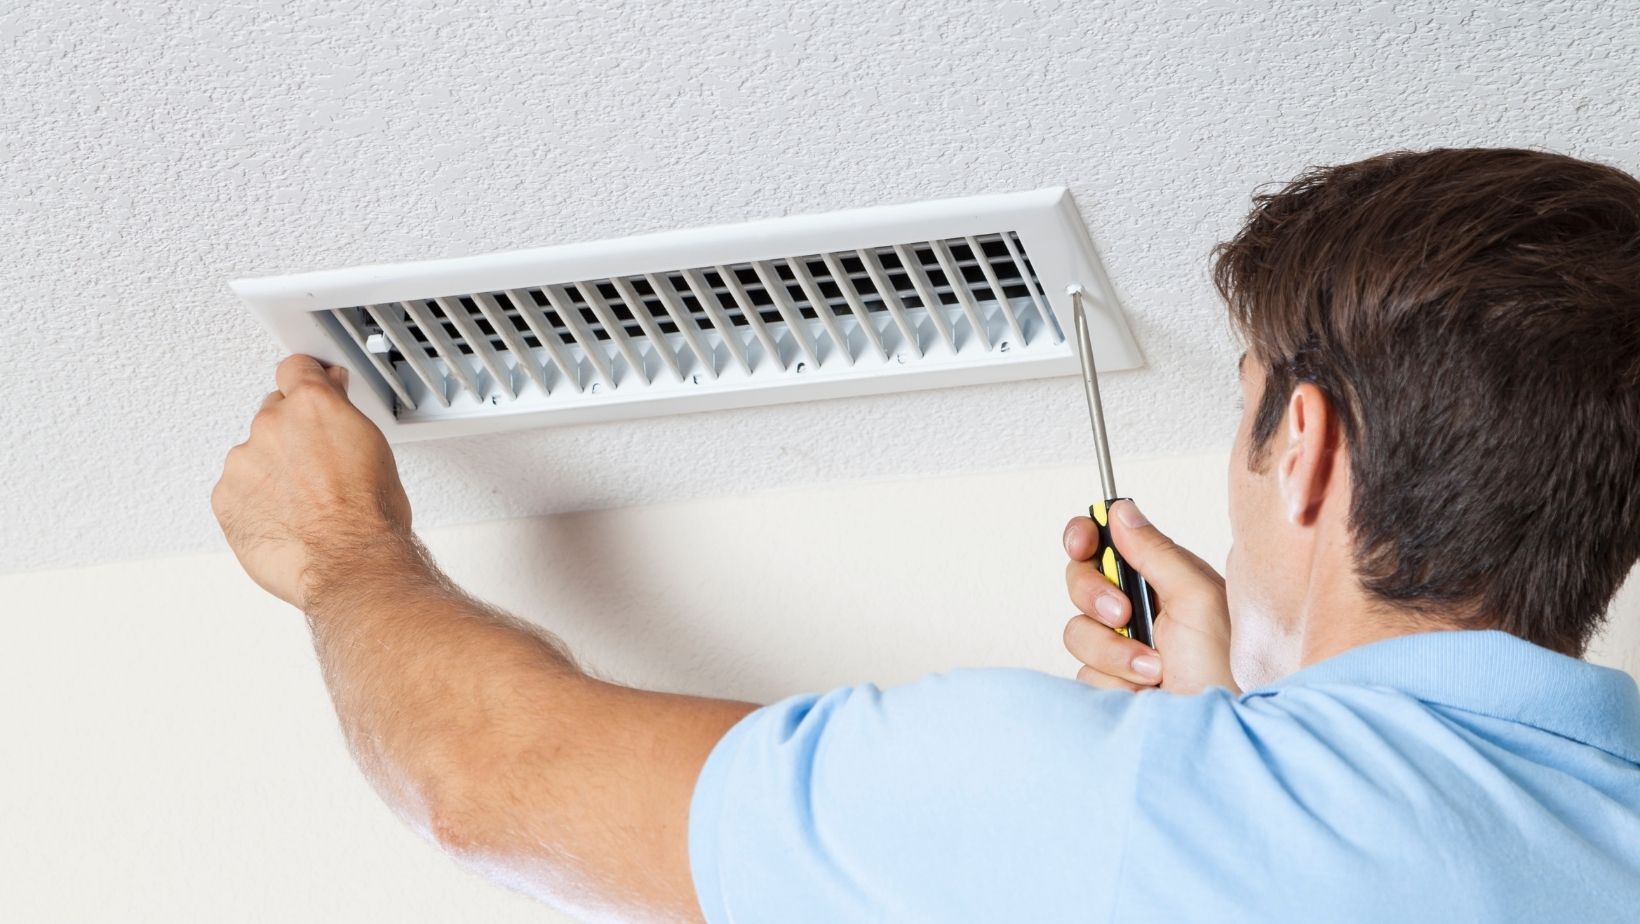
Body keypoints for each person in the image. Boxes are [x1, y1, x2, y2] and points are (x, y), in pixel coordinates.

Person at [212, 148, 1640, 922]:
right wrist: (1232, 716)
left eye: (1247, 413)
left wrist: (343, 552)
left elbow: (487, 781)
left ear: (1308, 449)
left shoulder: (1114, 810)